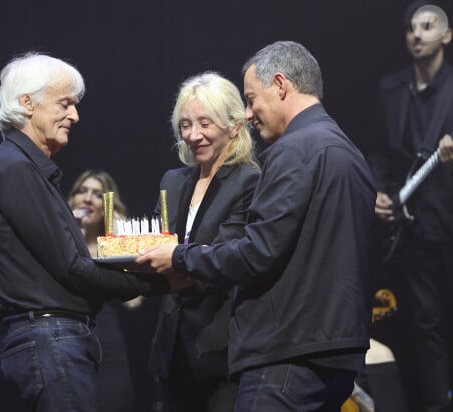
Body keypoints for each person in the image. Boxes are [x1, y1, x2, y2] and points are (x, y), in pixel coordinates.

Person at [137, 40, 377, 411]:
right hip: (339, 353)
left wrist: (180, 258)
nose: (249, 113)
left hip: (288, 354)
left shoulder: (292, 150)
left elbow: (257, 253)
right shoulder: (351, 153)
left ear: (280, 85)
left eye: (251, 99)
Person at [0, 52, 173, 412]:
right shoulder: (14, 168)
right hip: (49, 339)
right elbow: (73, 267)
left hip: (56, 339)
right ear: (26, 103)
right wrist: (162, 280)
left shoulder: (28, 169)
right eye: (64, 104)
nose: (75, 116)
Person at [148, 72, 260, 412]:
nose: (193, 136)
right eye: (185, 125)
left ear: (234, 125)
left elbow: (231, 256)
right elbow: (153, 246)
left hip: (221, 350)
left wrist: (177, 259)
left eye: (204, 123)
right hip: (172, 350)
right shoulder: (173, 180)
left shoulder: (250, 181)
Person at [368, 2, 453, 410]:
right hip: (413, 228)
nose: (417, 34)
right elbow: (382, 151)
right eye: (411, 28)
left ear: (447, 35)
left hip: (449, 218)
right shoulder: (391, 87)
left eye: (428, 25)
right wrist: (380, 193)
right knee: (424, 325)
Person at [67, 169, 137, 412]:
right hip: (67, 344)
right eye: (82, 191)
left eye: (97, 195)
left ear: (107, 205)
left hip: (109, 348)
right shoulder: (58, 240)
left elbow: (133, 302)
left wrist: (119, 244)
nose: (87, 199)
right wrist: (75, 234)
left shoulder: (113, 247)